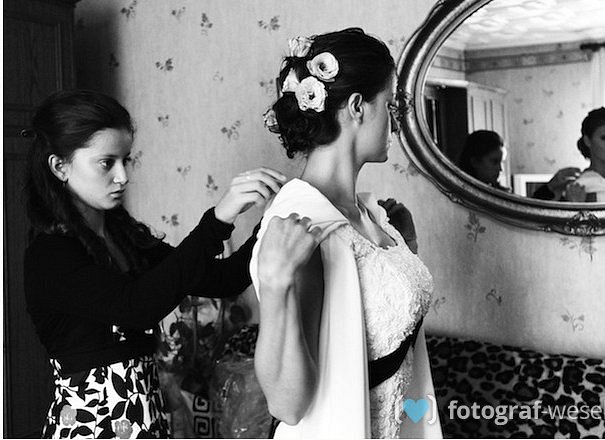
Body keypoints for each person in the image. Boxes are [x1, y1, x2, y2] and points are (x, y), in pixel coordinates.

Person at [23, 89, 287, 438]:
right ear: (60, 167)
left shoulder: (125, 238)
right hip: (91, 428)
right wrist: (218, 218)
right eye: (106, 163)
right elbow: (137, 308)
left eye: (126, 160)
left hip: (147, 423)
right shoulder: (50, 255)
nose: (123, 176)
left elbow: (225, 279)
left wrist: (272, 220)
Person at [250, 29, 442, 438]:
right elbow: (287, 405)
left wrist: (404, 250)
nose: (395, 122)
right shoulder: (304, 223)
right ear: (357, 107)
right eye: (389, 106)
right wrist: (276, 283)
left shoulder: (371, 216)